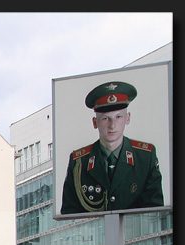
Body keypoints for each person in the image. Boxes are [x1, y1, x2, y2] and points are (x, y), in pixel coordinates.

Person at [60, 80, 163, 215]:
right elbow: (70, 215)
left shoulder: (145, 157)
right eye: (105, 119)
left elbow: (155, 213)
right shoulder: (79, 162)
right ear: (95, 122)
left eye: (118, 117)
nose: (112, 125)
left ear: (127, 118)